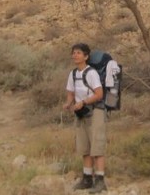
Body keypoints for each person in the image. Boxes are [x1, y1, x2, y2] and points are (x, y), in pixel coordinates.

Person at [63, 43, 107, 193]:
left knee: (97, 146)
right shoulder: (73, 74)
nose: (75, 55)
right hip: (81, 113)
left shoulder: (91, 73)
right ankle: (87, 178)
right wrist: (68, 103)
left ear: (86, 56)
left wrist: (84, 102)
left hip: (95, 112)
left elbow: (99, 94)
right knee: (84, 147)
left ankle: (100, 180)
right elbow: (70, 93)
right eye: (73, 53)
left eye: (79, 53)